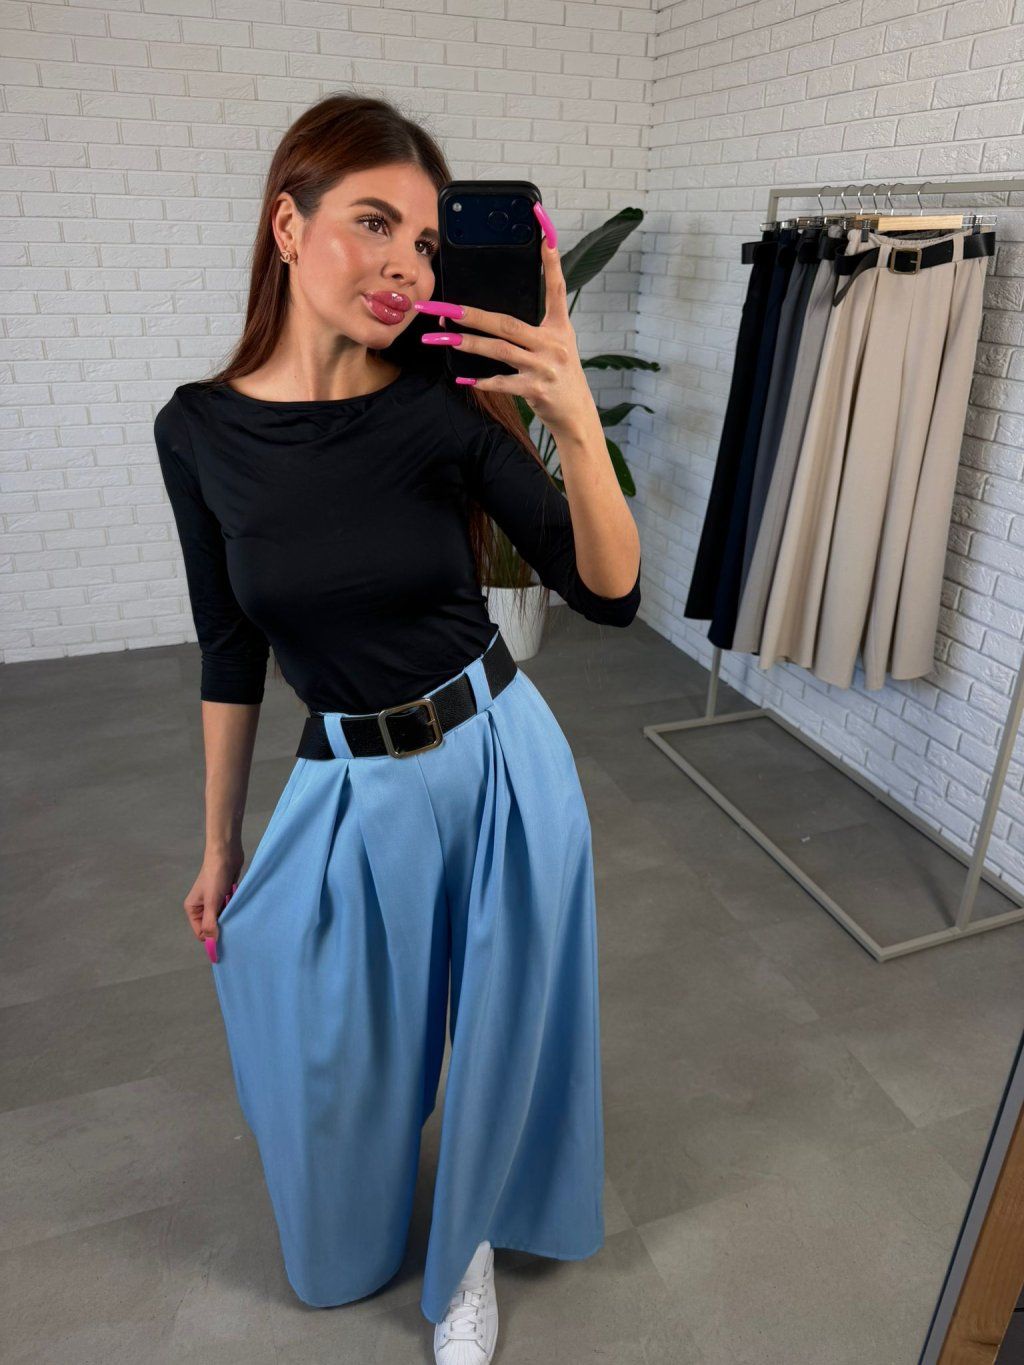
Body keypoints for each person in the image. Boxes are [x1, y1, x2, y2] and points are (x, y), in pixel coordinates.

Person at [153, 92, 642, 1364]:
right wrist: (220, 843)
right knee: (330, 1042)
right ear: (288, 225)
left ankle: (465, 1253)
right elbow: (229, 646)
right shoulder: (199, 431)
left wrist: (572, 418)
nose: (407, 266)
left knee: (494, 1033)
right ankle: (363, 1221)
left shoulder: (436, 408)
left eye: (425, 241)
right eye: (374, 223)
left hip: (497, 761)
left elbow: (607, 593)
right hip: (348, 782)